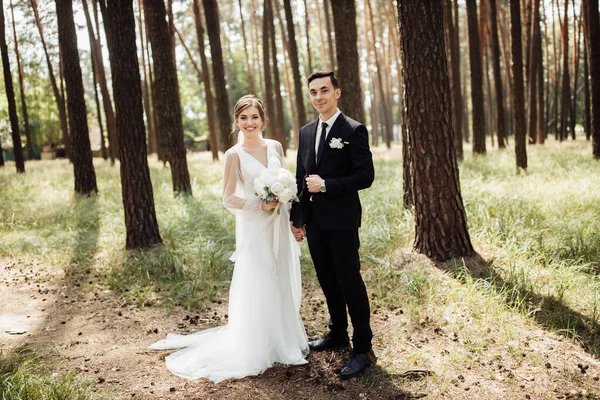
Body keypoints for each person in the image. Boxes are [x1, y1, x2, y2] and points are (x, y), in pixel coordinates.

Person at [150, 95, 309, 383]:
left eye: (255, 117)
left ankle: (283, 342)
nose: (250, 123)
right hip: (254, 226)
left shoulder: (275, 146)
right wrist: (259, 204)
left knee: (280, 276)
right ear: (236, 121)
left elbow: (286, 183)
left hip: (278, 225)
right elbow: (228, 198)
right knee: (259, 277)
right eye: (244, 118)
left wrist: (287, 212)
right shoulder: (233, 154)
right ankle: (257, 344)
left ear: (263, 120)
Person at [290, 71, 375, 379]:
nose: (318, 97)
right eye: (313, 92)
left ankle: (362, 347)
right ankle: (337, 332)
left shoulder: (353, 129)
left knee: (350, 280)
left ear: (337, 92)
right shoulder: (307, 131)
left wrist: (326, 184)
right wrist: (296, 218)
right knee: (327, 279)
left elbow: (365, 176)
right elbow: (301, 177)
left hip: (342, 221)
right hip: (315, 223)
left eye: (324, 90)